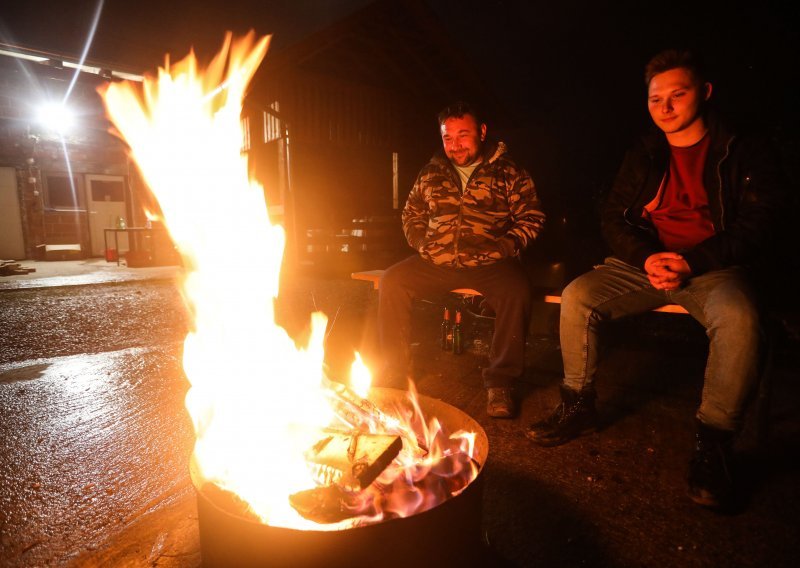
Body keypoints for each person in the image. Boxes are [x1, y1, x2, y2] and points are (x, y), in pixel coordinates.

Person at [525, 49, 785, 509]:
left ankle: (715, 444)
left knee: (740, 317)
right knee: (577, 295)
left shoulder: (742, 148)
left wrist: (693, 262)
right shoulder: (646, 151)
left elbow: (757, 223)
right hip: (644, 263)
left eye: (677, 95)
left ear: (704, 93)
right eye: (654, 99)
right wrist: (646, 257)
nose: (665, 107)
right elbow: (612, 217)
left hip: (713, 268)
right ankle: (579, 405)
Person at [377, 101, 545, 418]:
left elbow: (532, 217)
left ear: (482, 132)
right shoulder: (431, 173)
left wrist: (506, 247)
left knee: (516, 291)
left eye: (463, 135)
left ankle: (501, 381)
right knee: (392, 281)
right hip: (436, 262)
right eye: (448, 137)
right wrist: (421, 243)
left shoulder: (509, 172)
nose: (455, 145)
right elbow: (411, 213)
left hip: (490, 263)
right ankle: (395, 373)